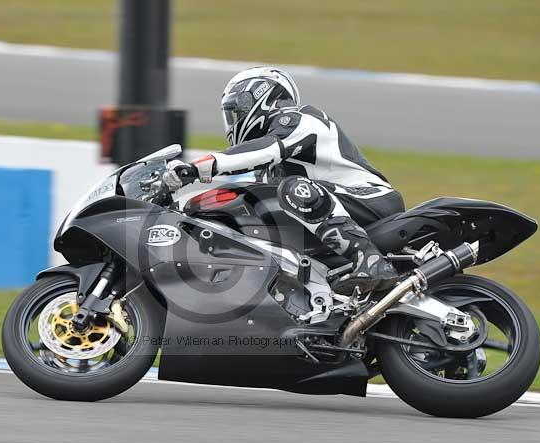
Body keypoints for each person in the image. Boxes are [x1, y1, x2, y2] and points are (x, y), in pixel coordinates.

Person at [162, 66, 405, 293]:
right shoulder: (267, 170)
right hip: (335, 206)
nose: (233, 122)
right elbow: (234, 185)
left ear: (261, 99)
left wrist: (198, 167)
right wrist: (180, 204)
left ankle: (370, 259)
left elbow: (265, 149)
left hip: (370, 198)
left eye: (236, 111)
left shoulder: (302, 120)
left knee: (293, 188)